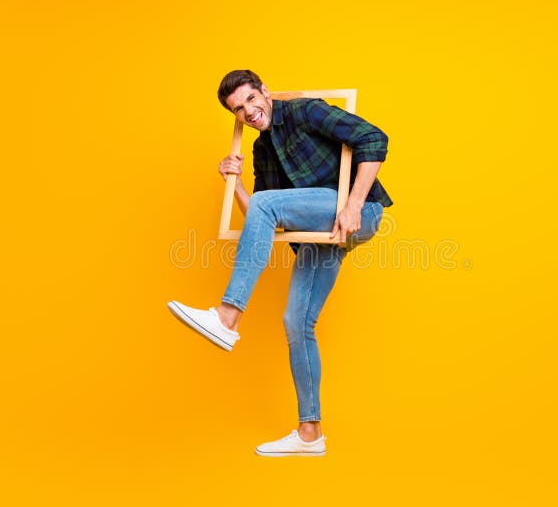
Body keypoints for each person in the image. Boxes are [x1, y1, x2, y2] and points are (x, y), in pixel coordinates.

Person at [167, 69, 393, 457]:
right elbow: (264, 217)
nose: (249, 112)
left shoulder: (305, 113)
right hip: (316, 233)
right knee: (296, 322)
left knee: (267, 204)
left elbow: (375, 137)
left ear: (265, 92)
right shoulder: (261, 149)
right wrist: (234, 184)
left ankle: (227, 316)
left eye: (251, 100)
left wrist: (354, 204)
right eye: (238, 109)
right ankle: (310, 433)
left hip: (360, 211)